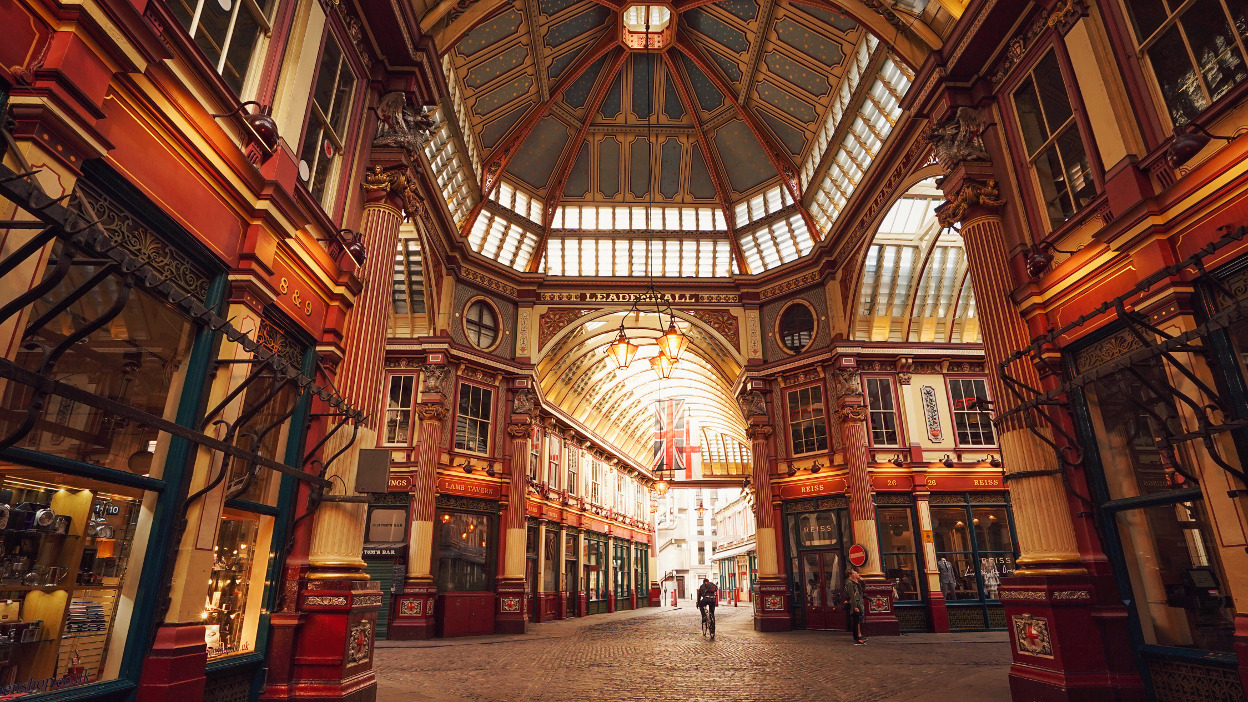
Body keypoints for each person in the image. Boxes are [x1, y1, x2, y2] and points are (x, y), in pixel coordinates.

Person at [846, 567, 866, 645]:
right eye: (854, 573)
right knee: (855, 622)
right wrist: (855, 607)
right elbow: (852, 596)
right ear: (850, 575)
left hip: (858, 603)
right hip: (855, 604)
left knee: (857, 620)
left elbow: (861, 589)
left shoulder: (853, 582)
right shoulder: (849, 583)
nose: (856, 574)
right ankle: (856, 639)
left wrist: (860, 579)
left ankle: (858, 638)